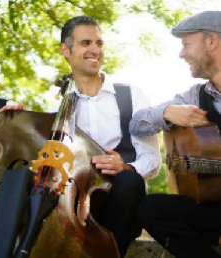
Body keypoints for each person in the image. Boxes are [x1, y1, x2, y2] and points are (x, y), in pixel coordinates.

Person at [60, 16, 161, 257]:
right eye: (86, 43)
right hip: (78, 204)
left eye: (99, 43)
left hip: (122, 202)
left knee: (129, 182)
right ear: (66, 50)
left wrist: (126, 167)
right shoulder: (63, 103)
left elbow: (153, 160)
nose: (95, 50)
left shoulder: (132, 95)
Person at [129, 10, 221, 258]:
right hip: (212, 209)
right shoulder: (193, 97)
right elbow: (136, 124)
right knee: (151, 209)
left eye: (186, 45)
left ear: (211, 41)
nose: (181, 54)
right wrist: (168, 112)